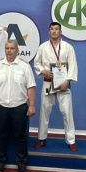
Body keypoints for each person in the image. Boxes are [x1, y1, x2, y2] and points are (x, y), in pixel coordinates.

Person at [0, 39, 36, 172]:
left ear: (17, 50)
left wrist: (32, 105)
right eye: (7, 48)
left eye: (12, 48)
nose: (9, 51)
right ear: (5, 50)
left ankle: (22, 164)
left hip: (19, 107)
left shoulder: (25, 67)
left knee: (20, 136)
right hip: (0, 106)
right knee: (0, 135)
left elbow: (31, 87)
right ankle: (0, 163)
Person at [33, 21, 78, 151]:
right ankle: (41, 139)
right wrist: (43, 71)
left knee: (67, 112)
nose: (54, 31)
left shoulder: (68, 47)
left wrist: (68, 80)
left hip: (63, 84)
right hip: (48, 82)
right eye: (52, 29)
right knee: (44, 111)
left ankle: (71, 140)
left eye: (56, 29)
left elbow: (73, 65)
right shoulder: (43, 47)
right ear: (49, 31)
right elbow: (36, 63)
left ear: (60, 32)